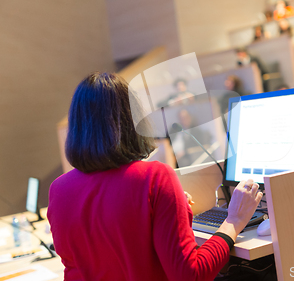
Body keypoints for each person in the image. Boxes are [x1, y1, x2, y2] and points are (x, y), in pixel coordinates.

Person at [48, 72, 263, 281]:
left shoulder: (58, 190)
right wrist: (234, 221)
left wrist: (168, 207)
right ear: (130, 120)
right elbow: (191, 275)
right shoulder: (153, 178)